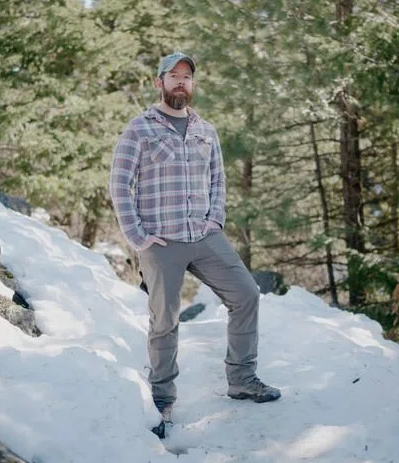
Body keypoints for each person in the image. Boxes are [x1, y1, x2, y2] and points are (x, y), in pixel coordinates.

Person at [109, 52, 281, 436]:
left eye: (187, 77)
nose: (181, 82)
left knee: (247, 295)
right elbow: (120, 185)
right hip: (160, 240)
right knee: (165, 319)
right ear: (159, 83)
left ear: (193, 85)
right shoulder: (139, 128)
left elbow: (218, 180)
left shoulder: (207, 131)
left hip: (205, 236)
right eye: (174, 76)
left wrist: (215, 219)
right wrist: (137, 236)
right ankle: (162, 399)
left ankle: (241, 379)